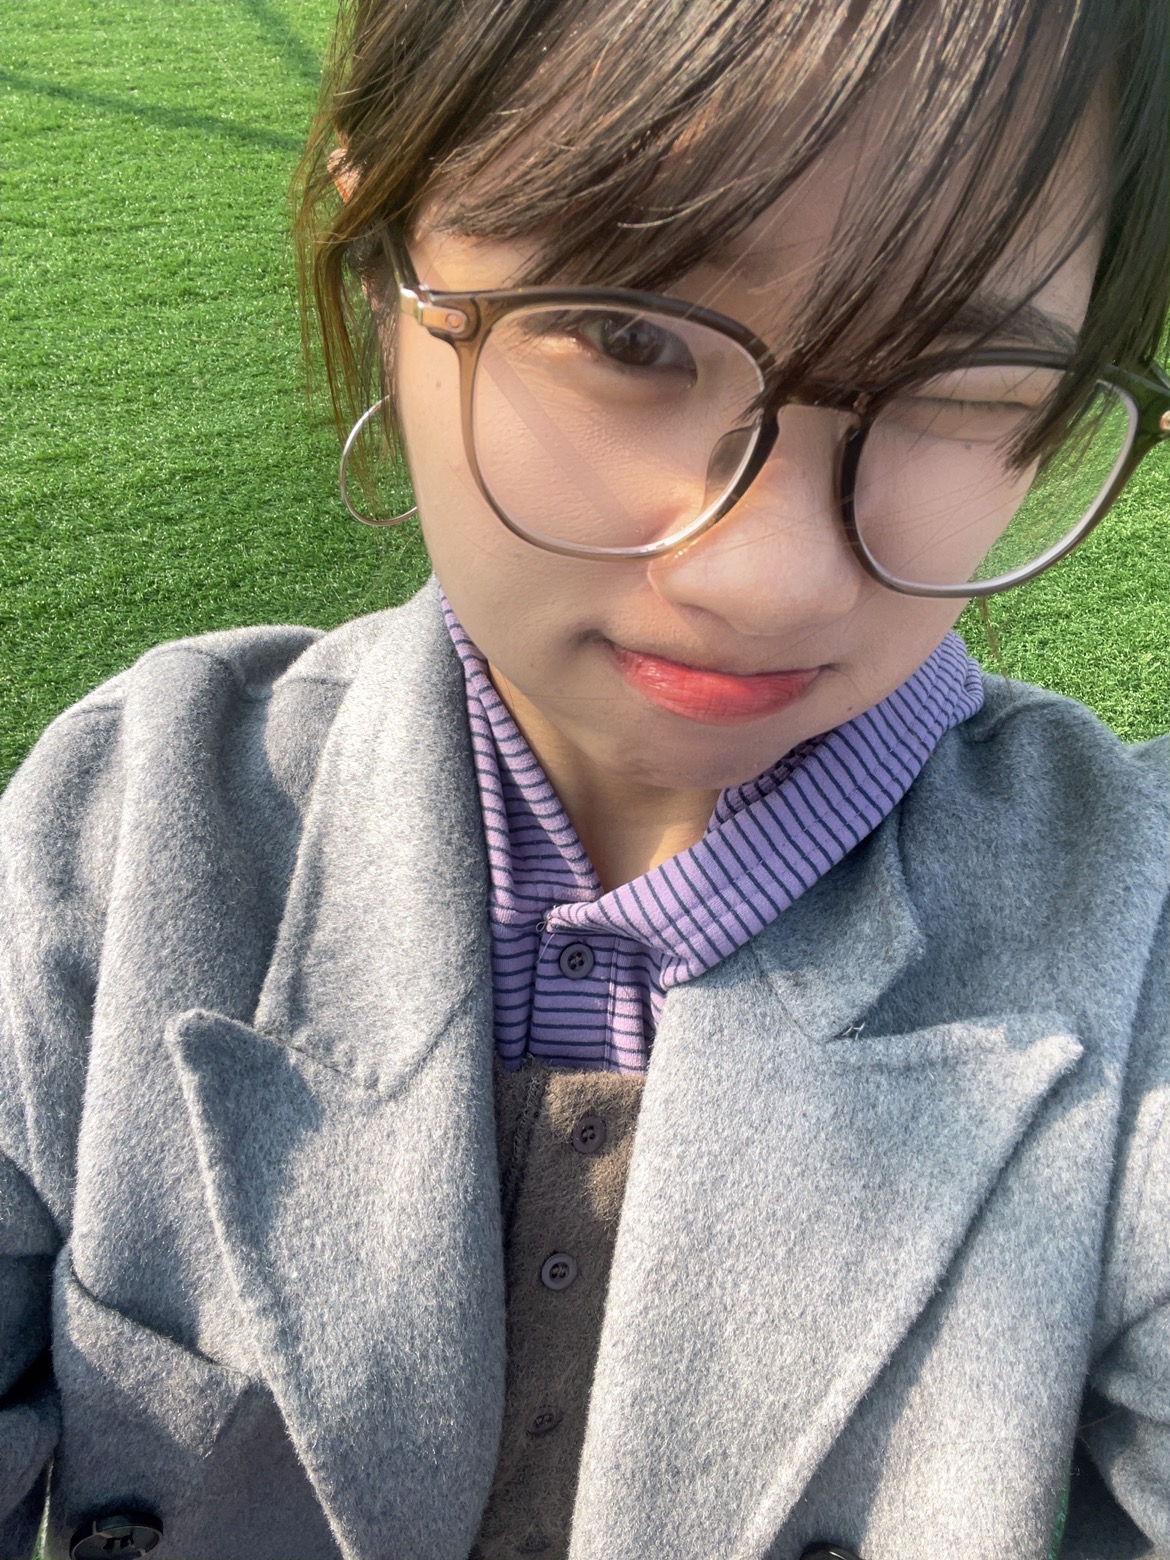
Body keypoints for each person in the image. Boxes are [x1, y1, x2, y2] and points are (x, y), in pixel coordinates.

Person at [2, 0, 1169, 1556]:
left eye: (965, 377)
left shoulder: (1134, 935)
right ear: (387, 258)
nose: (763, 576)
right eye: (628, 338)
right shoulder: (119, 834)